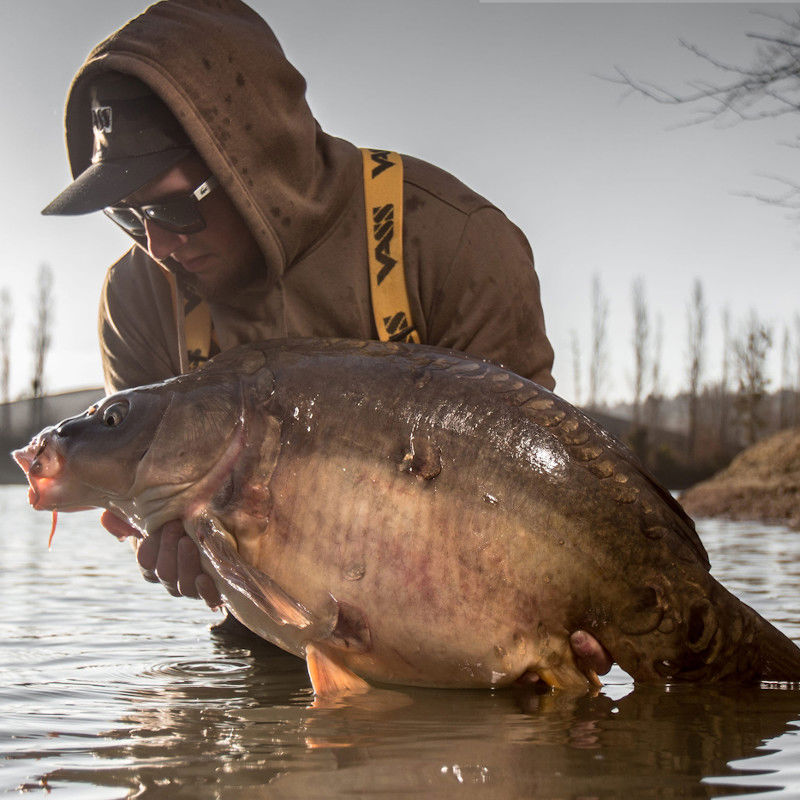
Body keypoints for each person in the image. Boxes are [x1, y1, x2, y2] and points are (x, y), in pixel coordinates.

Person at [42, 0, 610, 680]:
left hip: (470, 649)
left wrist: (586, 599)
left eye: (171, 205)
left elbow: (544, 490)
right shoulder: (136, 298)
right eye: (128, 216)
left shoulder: (455, 240)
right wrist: (159, 541)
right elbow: (143, 508)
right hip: (268, 651)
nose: (159, 243)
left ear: (250, 158)